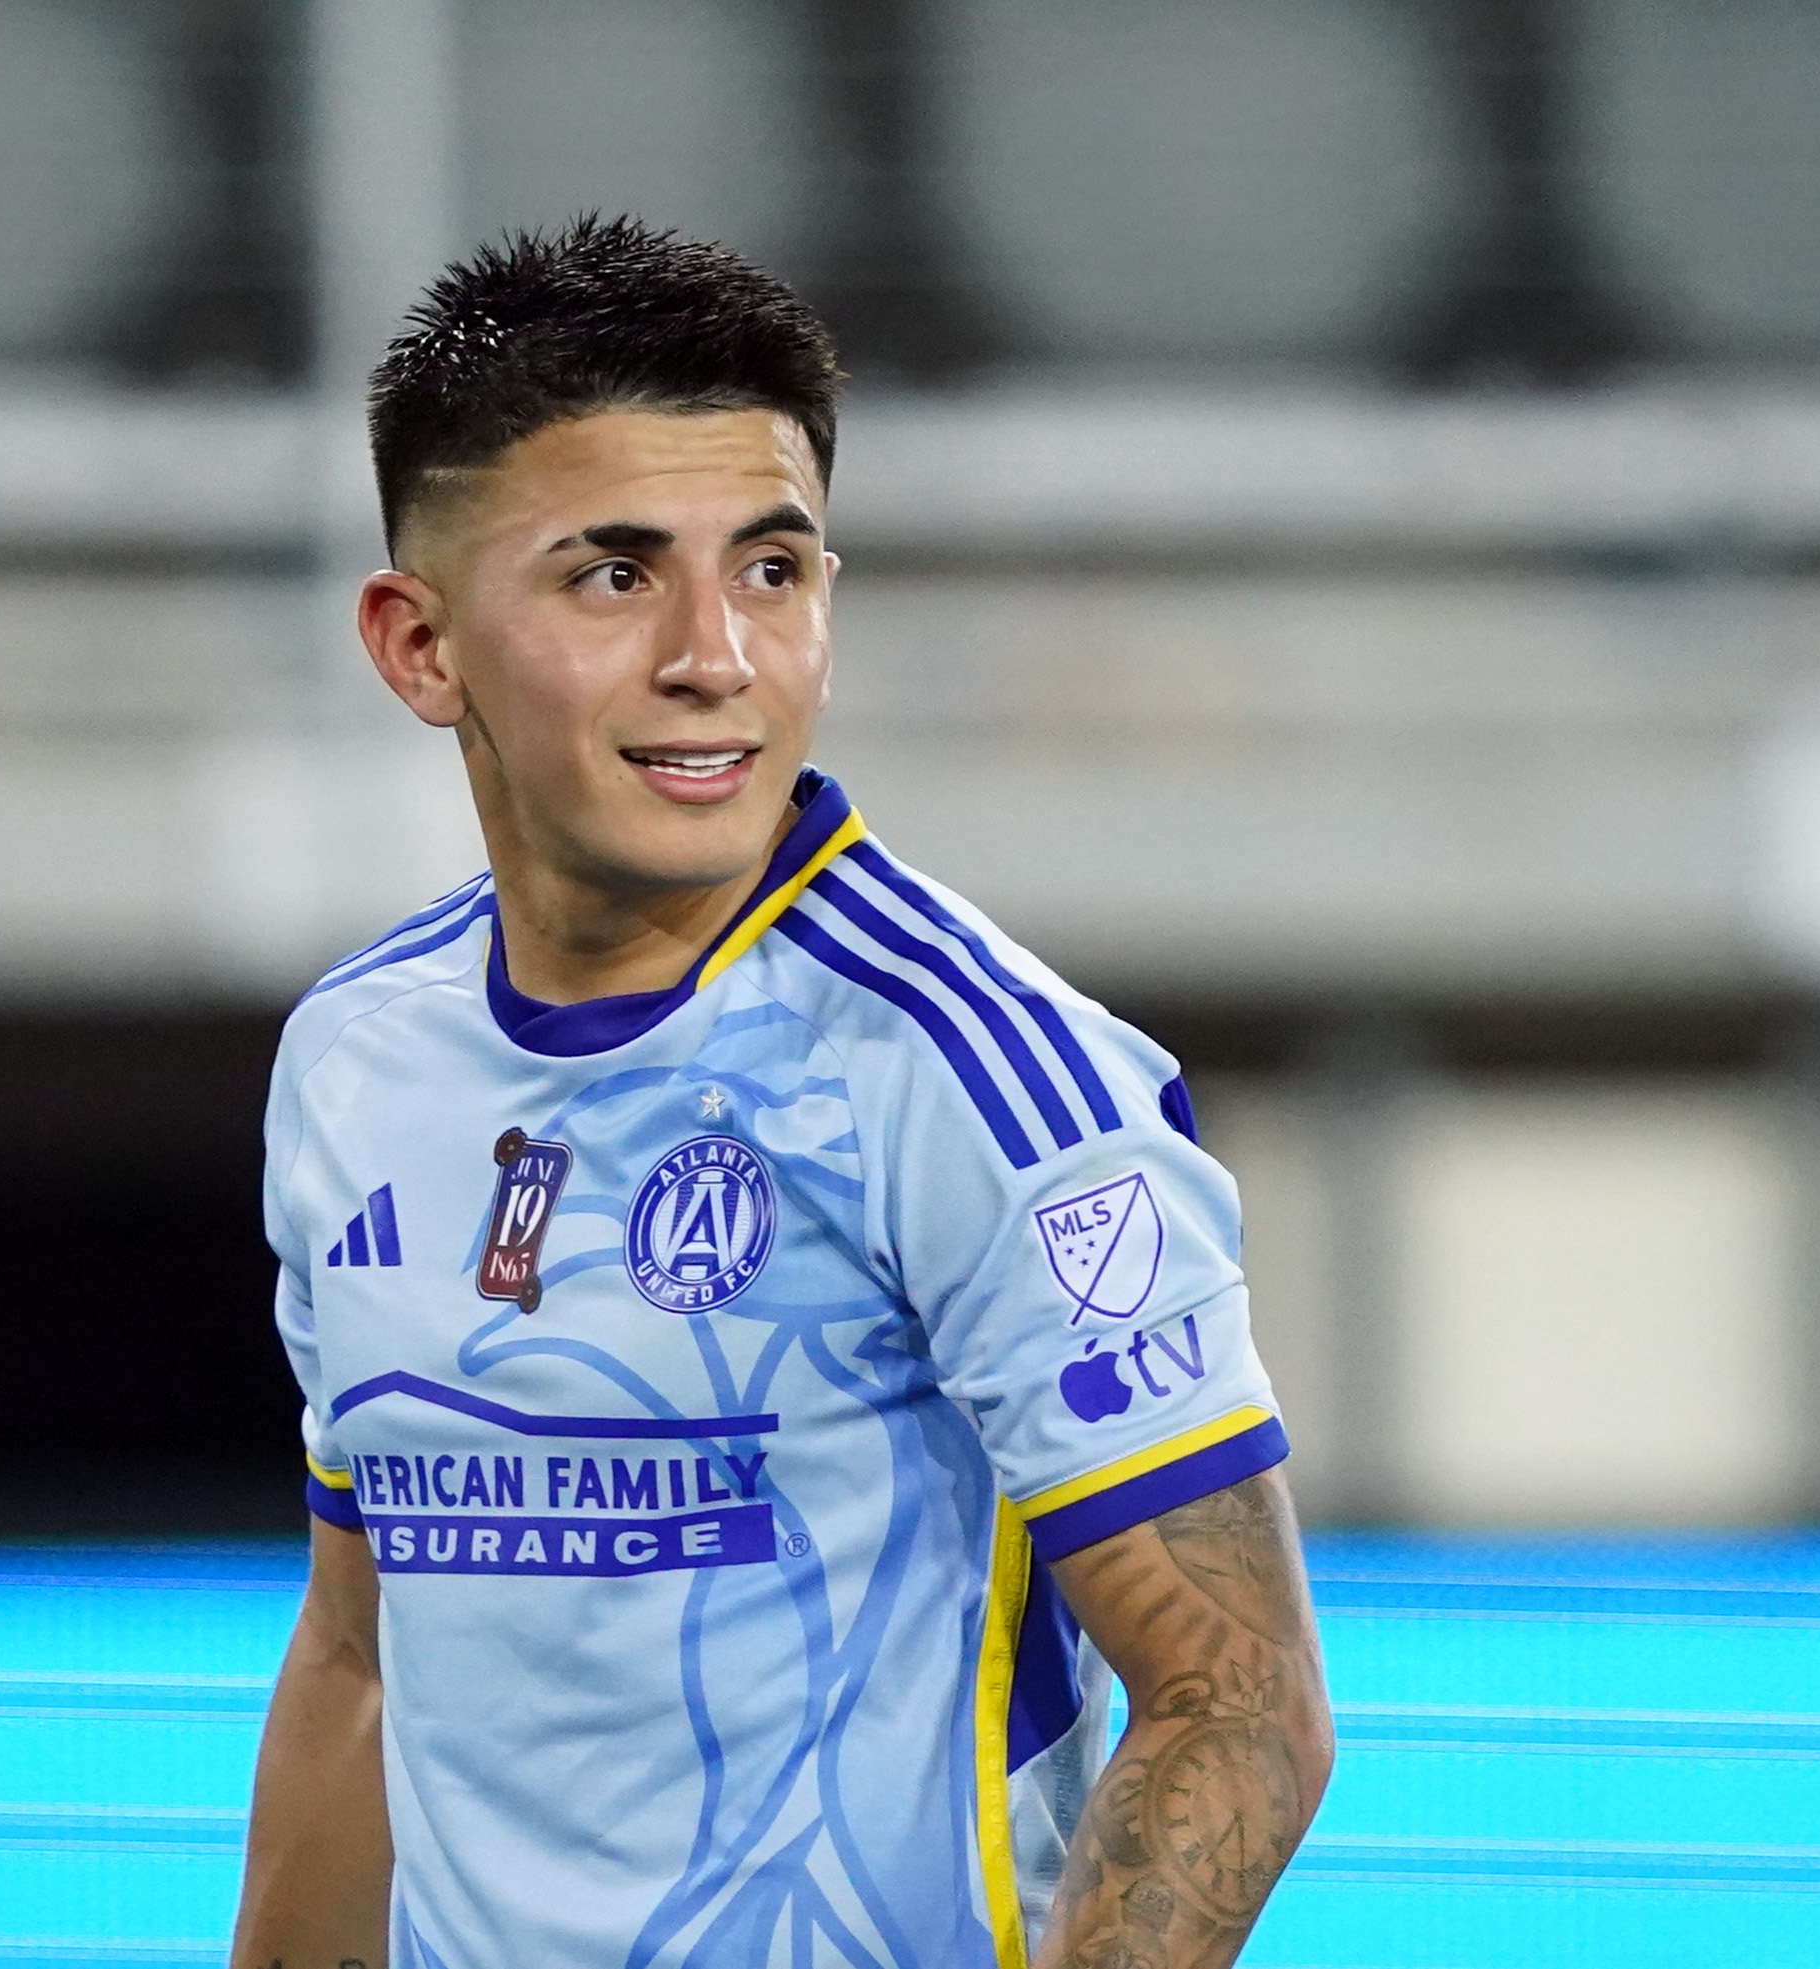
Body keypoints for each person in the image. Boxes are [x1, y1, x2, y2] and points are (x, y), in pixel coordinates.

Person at [235, 216, 1330, 1968]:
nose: (716, 656)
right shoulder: (354, 1061)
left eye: (771, 569)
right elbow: (366, 1659)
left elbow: (1238, 1701)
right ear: (418, 644)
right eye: (613, 574)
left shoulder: (980, 1081)